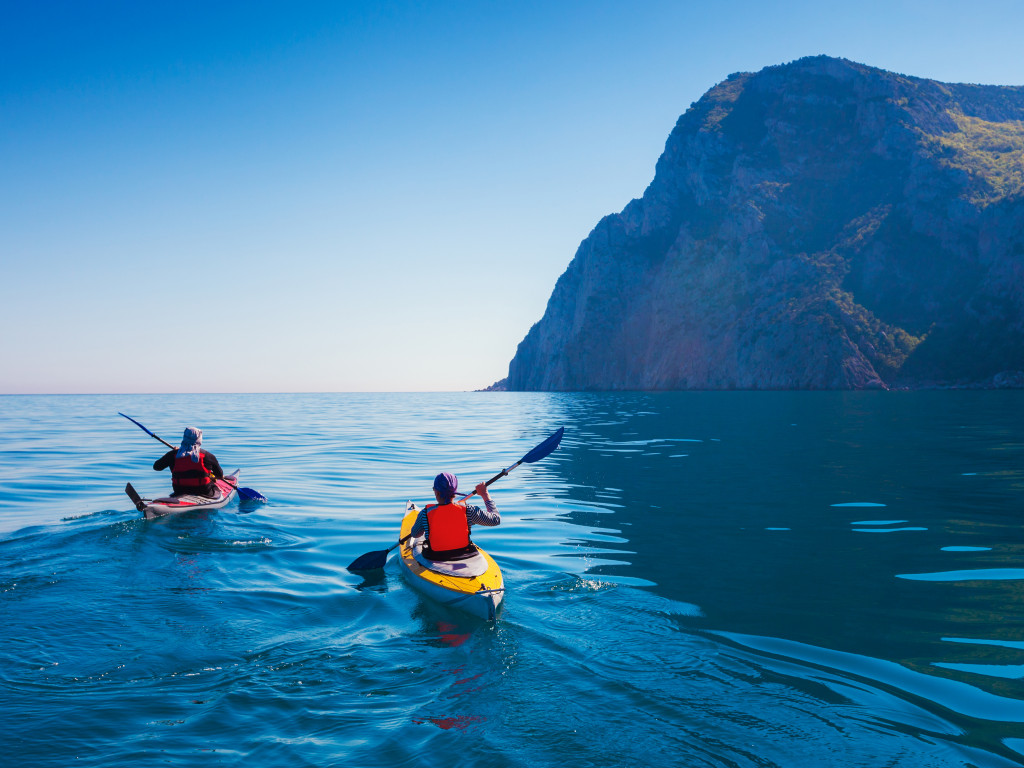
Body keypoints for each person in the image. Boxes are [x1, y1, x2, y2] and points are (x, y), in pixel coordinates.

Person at [411, 472, 500, 561]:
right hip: (465, 553)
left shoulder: (425, 514)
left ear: (436, 491)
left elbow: (415, 534)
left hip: (435, 556)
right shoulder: (468, 510)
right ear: (454, 491)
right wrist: (485, 494)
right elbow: (495, 520)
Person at [152, 427, 225, 497]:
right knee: (215, 487)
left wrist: (171, 453)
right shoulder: (208, 456)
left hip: (179, 490)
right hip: (203, 490)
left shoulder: (173, 455)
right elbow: (220, 475)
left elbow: (156, 467)